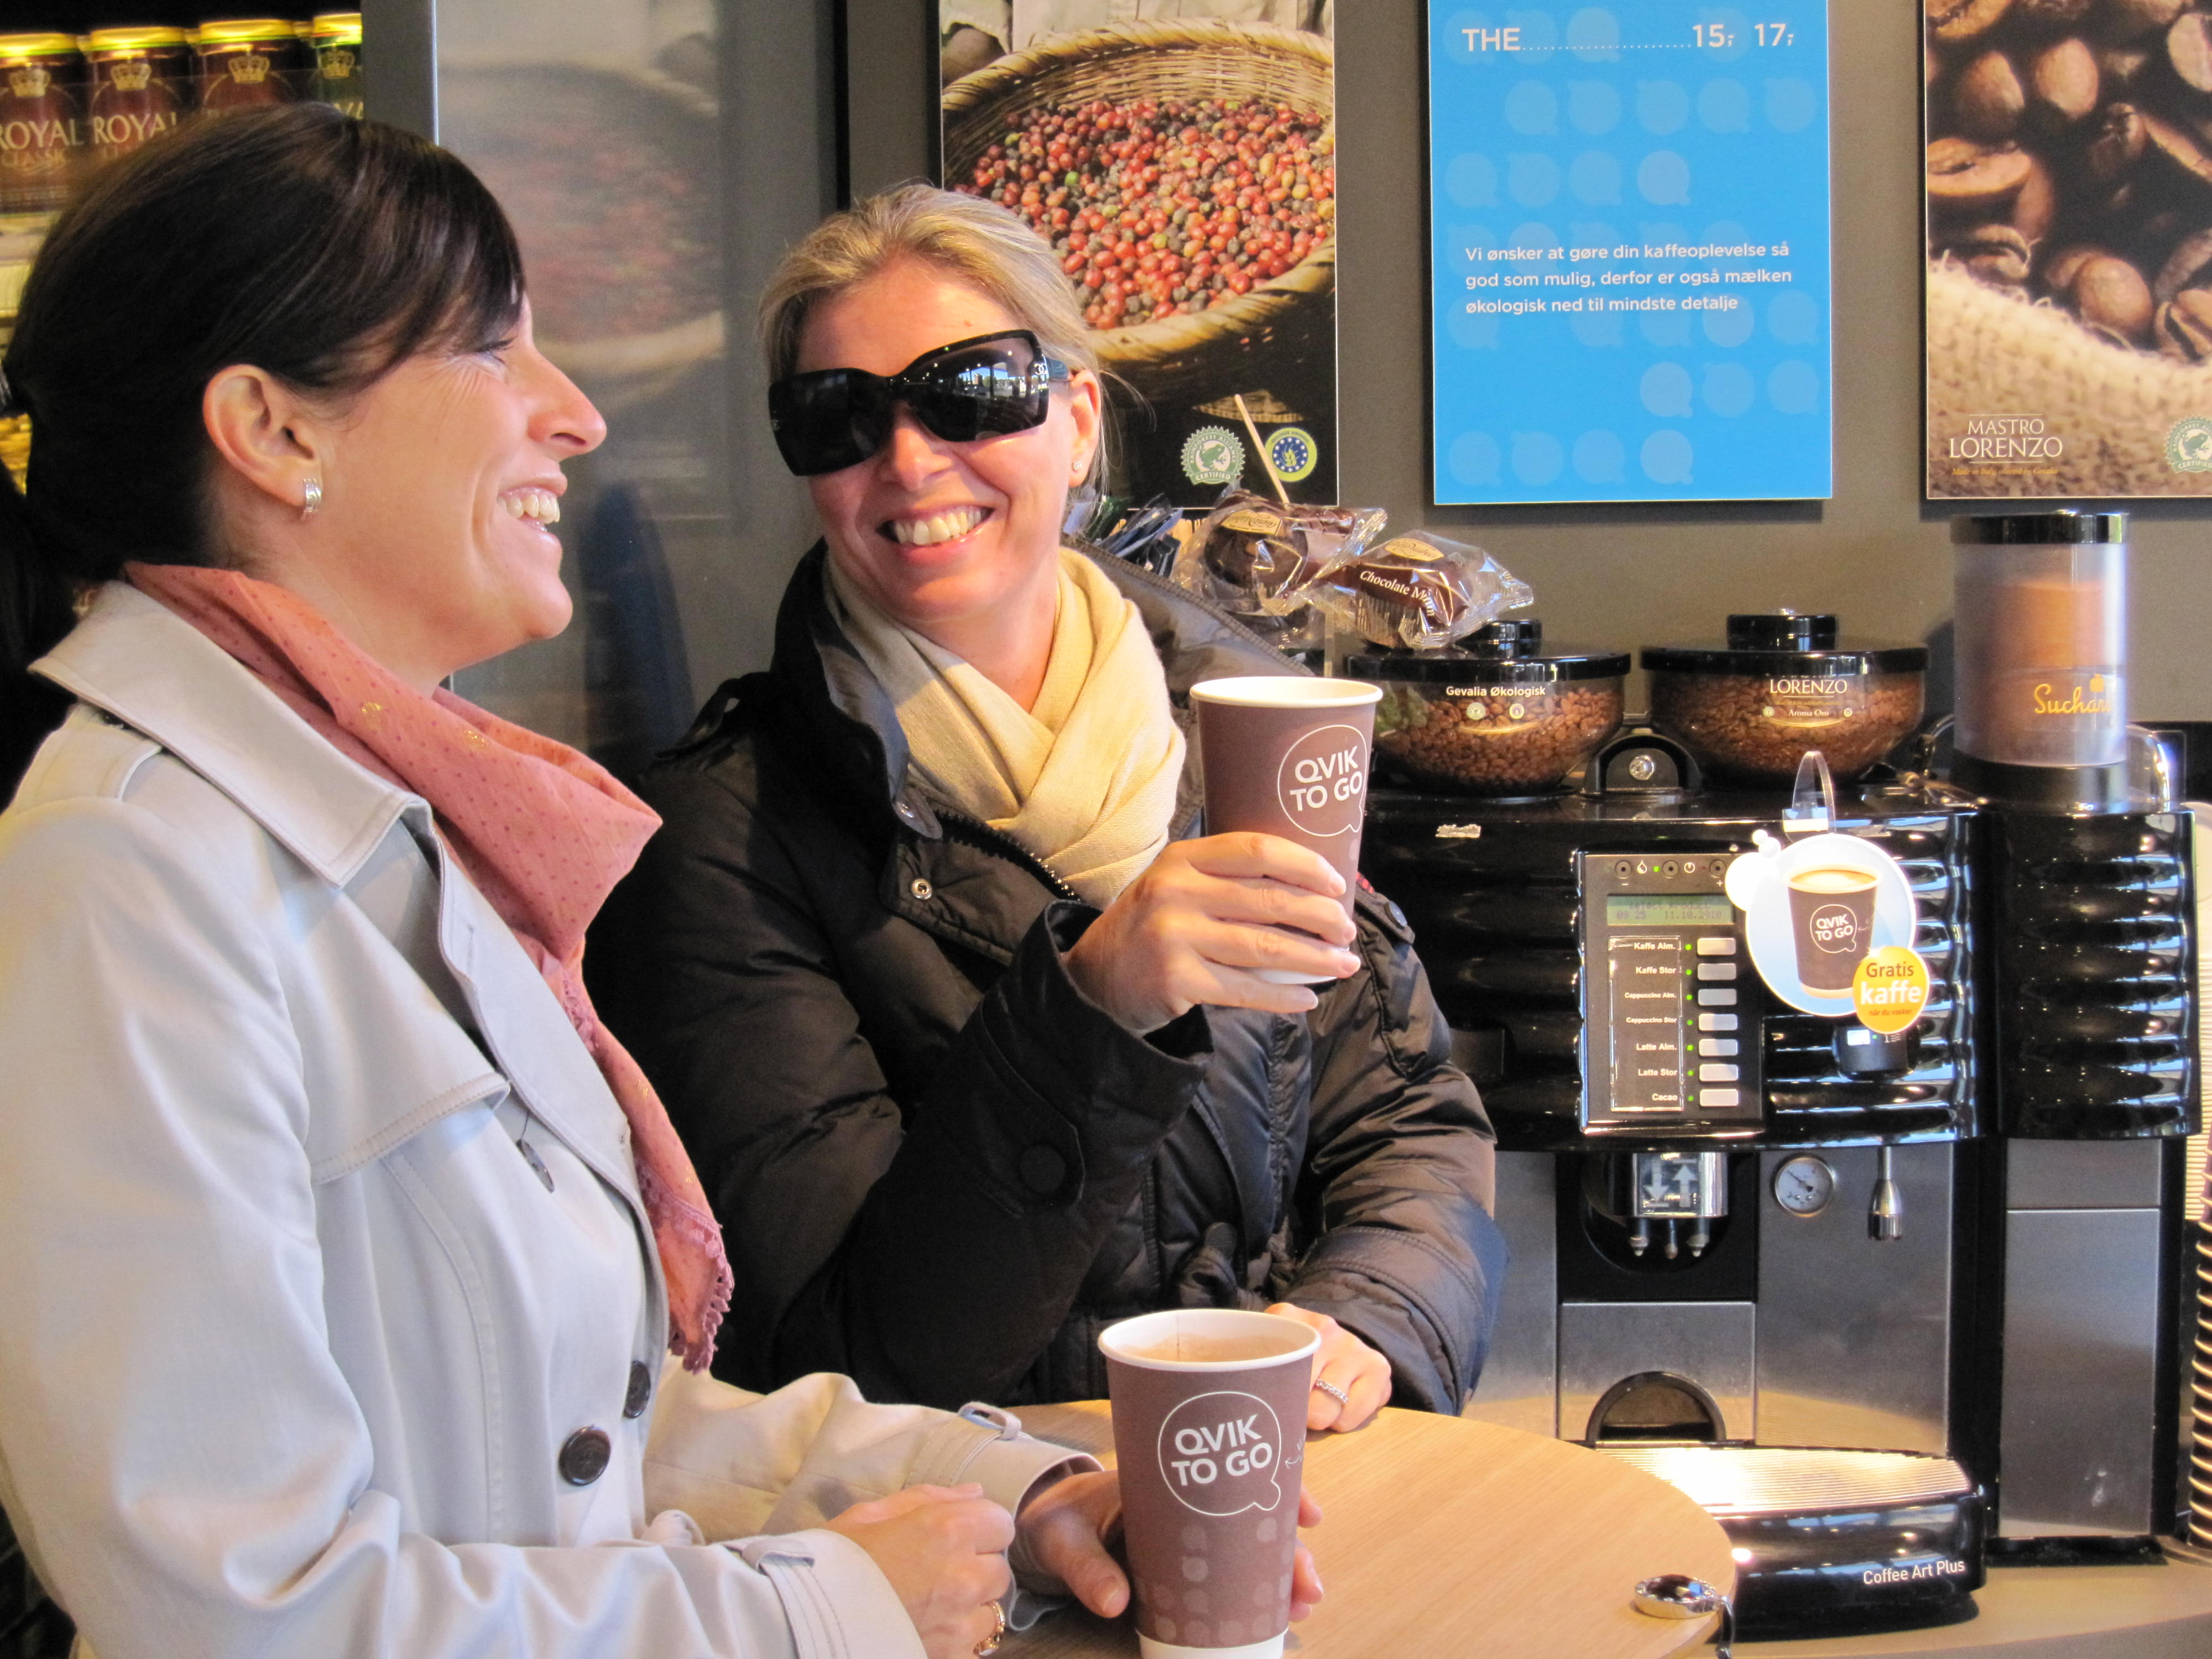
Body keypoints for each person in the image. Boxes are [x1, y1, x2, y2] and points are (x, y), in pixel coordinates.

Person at [0, 109, 1310, 1659]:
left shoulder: (396, 831)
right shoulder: (126, 873)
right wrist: (818, 1607)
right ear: (275, 432)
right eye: (492, 349)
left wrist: (1005, 1490)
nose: (575, 417)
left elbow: (583, 1425)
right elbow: (232, 1607)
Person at [588, 184, 1506, 1428]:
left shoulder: (1234, 736)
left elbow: (1405, 1116)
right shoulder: (721, 837)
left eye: (968, 393)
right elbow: (846, 1354)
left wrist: (1367, 1316)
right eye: (839, 415)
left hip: (1266, 1469)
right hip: (979, 1516)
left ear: (1075, 422)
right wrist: (1094, 1004)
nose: (909, 461)